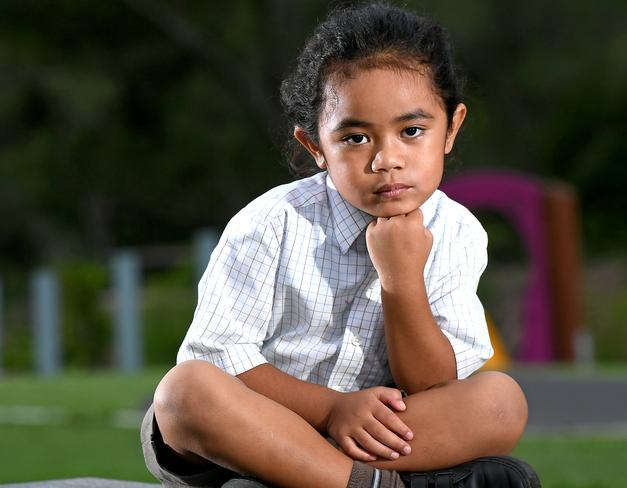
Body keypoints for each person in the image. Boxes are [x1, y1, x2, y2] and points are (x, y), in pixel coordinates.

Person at [141, 3, 541, 487]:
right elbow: (220, 357)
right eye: (355, 138)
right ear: (316, 148)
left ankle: (318, 478)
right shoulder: (274, 221)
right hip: (252, 433)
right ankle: (367, 484)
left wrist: (402, 280)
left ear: (451, 129)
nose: (386, 159)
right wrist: (331, 409)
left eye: (412, 131)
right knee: (184, 392)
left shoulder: (457, 233)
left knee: (500, 401)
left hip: (369, 437)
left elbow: (433, 387)